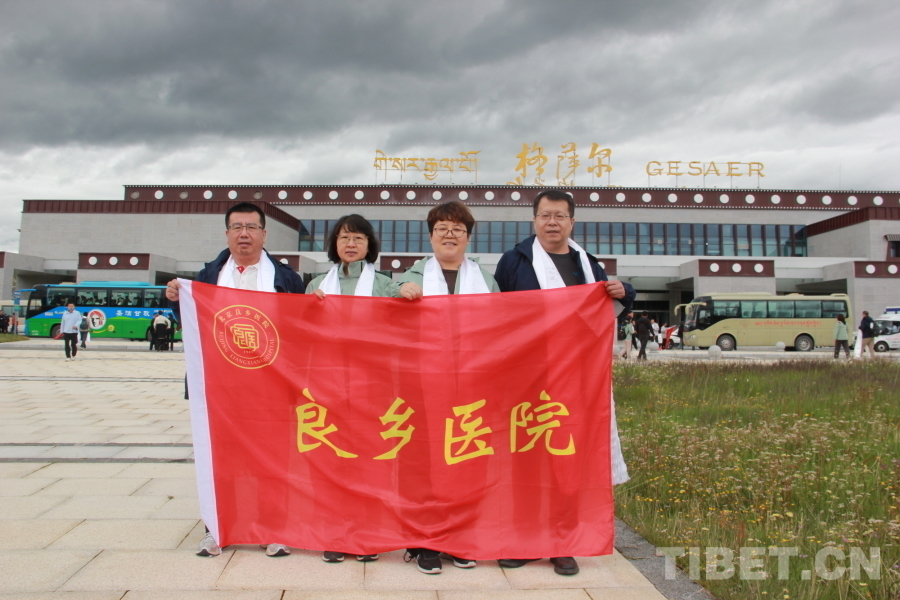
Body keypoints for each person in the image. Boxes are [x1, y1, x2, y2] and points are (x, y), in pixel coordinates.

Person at [493, 189, 635, 576]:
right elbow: (495, 314)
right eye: (545, 215)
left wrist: (627, 292)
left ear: (572, 221)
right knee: (525, 460)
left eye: (559, 215)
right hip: (526, 377)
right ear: (534, 220)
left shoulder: (586, 264)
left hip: (576, 379)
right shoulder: (514, 261)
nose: (552, 222)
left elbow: (607, 307)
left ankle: (562, 542)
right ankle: (524, 540)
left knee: (566, 460)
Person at [166, 201, 305, 558]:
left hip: (270, 385)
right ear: (227, 233)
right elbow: (191, 323)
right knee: (221, 459)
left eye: (251, 227)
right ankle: (217, 529)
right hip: (221, 386)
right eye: (237, 227)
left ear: (264, 234)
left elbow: (301, 329)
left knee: (272, 459)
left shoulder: (287, 279)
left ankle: (272, 528)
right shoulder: (207, 276)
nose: (244, 234)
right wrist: (175, 299)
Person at [393, 200, 497, 575]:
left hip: (472, 387)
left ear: (468, 237)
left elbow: (504, 327)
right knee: (422, 464)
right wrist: (397, 291)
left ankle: (460, 537)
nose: (449, 235)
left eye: (457, 229)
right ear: (431, 236)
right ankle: (423, 540)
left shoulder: (486, 281)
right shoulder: (409, 277)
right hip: (422, 388)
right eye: (442, 228)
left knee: (467, 460)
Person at [306, 214, 393, 564]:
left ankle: (369, 534)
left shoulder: (384, 284)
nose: (351, 244)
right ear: (334, 244)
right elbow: (301, 332)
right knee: (334, 460)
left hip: (373, 386)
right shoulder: (317, 285)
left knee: (370, 460)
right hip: (329, 385)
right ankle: (336, 532)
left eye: (358, 237)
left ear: (369, 244)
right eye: (344, 238)